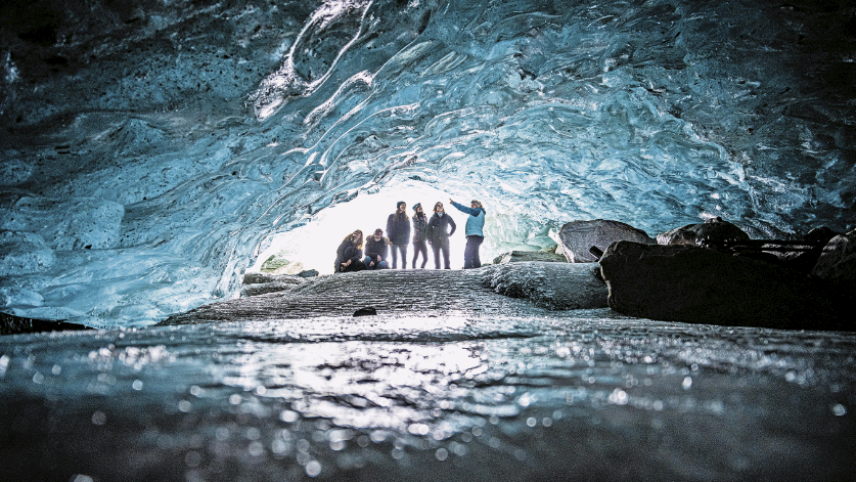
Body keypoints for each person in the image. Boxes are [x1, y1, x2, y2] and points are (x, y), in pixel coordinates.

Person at [450, 198, 486, 269]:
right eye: (471, 205)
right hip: (477, 236)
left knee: (468, 252)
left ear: (478, 205)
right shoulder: (479, 212)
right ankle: (477, 267)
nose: (472, 206)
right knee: (475, 253)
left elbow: (465, 209)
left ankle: (467, 268)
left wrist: (453, 203)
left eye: (474, 204)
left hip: (474, 235)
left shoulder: (477, 211)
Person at [427, 201, 456, 269]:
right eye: (438, 205)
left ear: (443, 208)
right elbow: (429, 230)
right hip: (435, 240)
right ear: (435, 208)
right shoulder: (433, 218)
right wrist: (430, 239)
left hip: (445, 239)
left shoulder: (446, 216)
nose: (440, 207)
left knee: (446, 255)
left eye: (441, 205)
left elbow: (453, 225)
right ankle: (437, 271)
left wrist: (450, 233)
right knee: (436, 257)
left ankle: (447, 270)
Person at [386, 201, 411, 269]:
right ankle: (394, 273)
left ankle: (404, 272)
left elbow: (408, 231)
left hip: (402, 241)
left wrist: (406, 241)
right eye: (402, 205)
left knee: (404, 258)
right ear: (398, 206)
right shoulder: (391, 217)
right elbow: (388, 228)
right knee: (394, 258)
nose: (403, 206)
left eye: (404, 205)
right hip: (393, 240)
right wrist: (389, 240)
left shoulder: (406, 219)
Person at [411, 203, 429, 269]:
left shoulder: (425, 217)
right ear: (416, 209)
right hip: (417, 240)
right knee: (416, 256)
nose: (420, 208)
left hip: (423, 240)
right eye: (418, 207)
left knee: (426, 258)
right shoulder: (414, 218)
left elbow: (426, 228)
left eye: (420, 206)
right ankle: (413, 270)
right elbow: (420, 227)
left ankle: (421, 269)